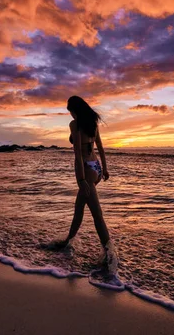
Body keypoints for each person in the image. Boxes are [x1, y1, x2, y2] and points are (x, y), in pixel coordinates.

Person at [53, 95, 118, 273]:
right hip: (95, 167)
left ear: (75, 110)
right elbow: (101, 148)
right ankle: (68, 242)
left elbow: (78, 155)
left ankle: (110, 256)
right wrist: (104, 169)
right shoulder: (92, 123)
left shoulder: (75, 125)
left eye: (71, 112)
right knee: (79, 208)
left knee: (97, 214)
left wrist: (81, 180)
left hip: (86, 172)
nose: (71, 116)